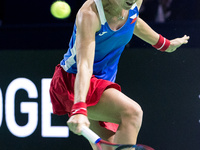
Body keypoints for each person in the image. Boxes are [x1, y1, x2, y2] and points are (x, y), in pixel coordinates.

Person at [49, 0, 189, 149]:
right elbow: (84, 65)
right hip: (74, 83)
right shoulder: (90, 15)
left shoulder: (132, 3)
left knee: (108, 148)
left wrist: (164, 44)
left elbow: (134, 20)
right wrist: (79, 107)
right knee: (132, 113)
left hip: (101, 83)